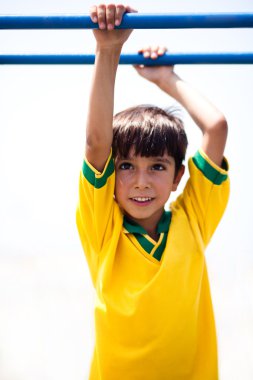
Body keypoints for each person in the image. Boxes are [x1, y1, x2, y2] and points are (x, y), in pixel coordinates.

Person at [76, 4, 230, 380]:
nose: (141, 181)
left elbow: (216, 128)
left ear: (178, 176)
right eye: (126, 167)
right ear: (112, 175)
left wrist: (166, 79)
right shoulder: (104, 231)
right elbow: (97, 143)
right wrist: (108, 50)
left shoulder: (192, 219)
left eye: (157, 167)